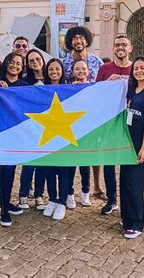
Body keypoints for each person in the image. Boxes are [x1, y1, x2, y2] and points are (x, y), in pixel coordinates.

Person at [62, 27, 104, 208]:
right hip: (69, 115)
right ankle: (69, 192)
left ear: (87, 40)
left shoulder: (96, 61)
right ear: (70, 42)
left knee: (90, 154)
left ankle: (92, 188)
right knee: (71, 156)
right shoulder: (64, 62)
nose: (78, 41)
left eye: (81, 38)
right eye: (74, 39)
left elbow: (104, 86)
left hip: (91, 115)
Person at [120, 56, 144, 239]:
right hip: (126, 141)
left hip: (139, 142)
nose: (139, 71)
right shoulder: (131, 89)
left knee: (135, 183)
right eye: (136, 68)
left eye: (142, 68)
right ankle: (126, 217)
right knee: (125, 180)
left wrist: (143, 149)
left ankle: (137, 222)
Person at [96, 34, 134, 214]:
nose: (121, 48)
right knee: (109, 162)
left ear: (130, 48)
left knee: (129, 161)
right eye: (117, 44)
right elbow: (95, 94)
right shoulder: (104, 68)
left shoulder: (137, 68)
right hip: (109, 121)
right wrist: (106, 83)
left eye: (124, 45)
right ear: (113, 48)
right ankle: (112, 199)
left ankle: (129, 199)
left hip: (131, 120)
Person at [0, 52, 28, 226]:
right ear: (6, 63)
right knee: (5, 170)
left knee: (12, 170)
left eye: (19, 63)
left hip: (18, 135)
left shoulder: (24, 85)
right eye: (12, 62)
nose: (15, 65)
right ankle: (4, 210)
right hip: (2, 133)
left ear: (22, 67)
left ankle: (7, 201)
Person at [18, 49, 47, 210]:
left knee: (42, 164)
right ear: (27, 64)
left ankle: (39, 195)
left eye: (37, 59)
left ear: (42, 59)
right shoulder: (25, 81)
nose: (35, 62)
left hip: (48, 126)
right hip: (30, 126)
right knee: (28, 163)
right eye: (31, 61)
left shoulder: (50, 79)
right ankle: (23, 194)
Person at [42, 58, 69, 220]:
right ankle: (52, 199)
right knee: (49, 171)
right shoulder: (41, 89)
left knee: (64, 171)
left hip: (65, 136)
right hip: (48, 135)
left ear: (62, 71)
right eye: (51, 69)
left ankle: (62, 202)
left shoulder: (69, 88)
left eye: (57, 69)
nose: (54, 72)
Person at [67, 59, 93, 207]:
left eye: (83, 68)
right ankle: (69, 194)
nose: (81, 71)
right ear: (73, 72)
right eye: (77, 69)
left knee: (85, 165)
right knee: (71, 164)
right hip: (70, 131)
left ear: (88, 71)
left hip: (87, 132)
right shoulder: (69, 88)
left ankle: (85, 193)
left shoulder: (95, 87)